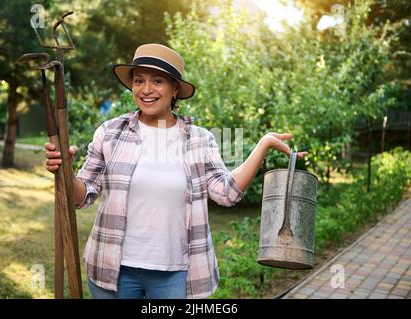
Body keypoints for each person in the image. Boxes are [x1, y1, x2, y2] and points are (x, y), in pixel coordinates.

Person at [44, 43, 308, 299]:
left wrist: (262, 145)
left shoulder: (199, 140)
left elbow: (226, 193)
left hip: (174, 274)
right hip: (112, 268)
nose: (146, 90)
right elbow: (81, 197)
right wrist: (65, 170)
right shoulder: (110, 132)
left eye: (157, 81)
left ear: (175, 90)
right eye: (139, 80)